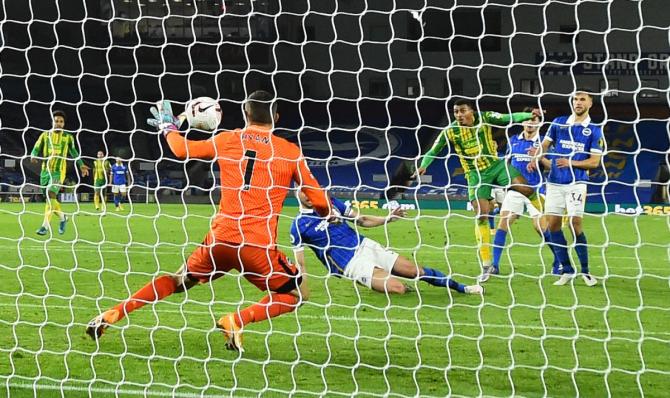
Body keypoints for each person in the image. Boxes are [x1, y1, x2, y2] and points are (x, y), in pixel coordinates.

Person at [86, 91, 333, 353]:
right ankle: (236, 320)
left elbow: (181, 150)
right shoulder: (289, 152)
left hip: (220, 239)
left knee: (178, 280)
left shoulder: (228, 139)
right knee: (298, 295)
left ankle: (114, 313)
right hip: (257, 248)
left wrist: (168, 128)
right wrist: (330, 214)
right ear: (277, 117)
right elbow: (319, 202)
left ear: (245, 113)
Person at [413, 100, 543, 277]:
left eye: (462, 111)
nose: (459, 115)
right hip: (475, 175)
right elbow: (433, 151)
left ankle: (544, 213)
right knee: (482, 214)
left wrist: (530, 115)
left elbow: (509, 118)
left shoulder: (486, 117)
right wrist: (424, 165)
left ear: (471, 111)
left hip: (496, 166)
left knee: (527, 189)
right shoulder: (450, 131)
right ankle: (486, 264)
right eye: (456, 112)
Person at [291, 191, 483, 295]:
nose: (308, 195)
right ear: (296, 192)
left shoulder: (331, 202)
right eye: (303, 191)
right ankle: (373, 280)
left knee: (415, 271)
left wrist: (387, 219)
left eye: (310, 189)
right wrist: (302, 285)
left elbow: (362, 220)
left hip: (366, 245)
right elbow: (300, 261)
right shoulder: (299, 225)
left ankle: (462, 288)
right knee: (397, 288)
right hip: (350, 263)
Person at [528, 89, 603, 286]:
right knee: (552, 225)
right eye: (575, 99)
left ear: (590, 104)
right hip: (554, 182)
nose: (578, 102)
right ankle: (567, 270)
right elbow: (544, 145)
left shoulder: (594, 129)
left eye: (582, 100)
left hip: (577, 183)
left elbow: (595, 162)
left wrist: (571, 163)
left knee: (574, 223)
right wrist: (537, 153)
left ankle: (585, 272)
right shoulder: (559, 122)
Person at [480, 108, 560, 282]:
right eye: (528, 120)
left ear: (539, 123)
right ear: (523, 122)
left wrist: (539, 158)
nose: (530, 123)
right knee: (503, 222)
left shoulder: (544, 143)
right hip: (515, 189)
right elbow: (507, 163)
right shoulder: (514, 140)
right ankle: (495, 264)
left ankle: (559, 260)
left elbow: (553, 167)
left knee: (540, 227)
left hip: (536, 189)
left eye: (534, 120)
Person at [30, 110, 90, 235]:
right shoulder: (45, 135)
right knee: (49, 199)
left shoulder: (68, 137)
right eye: (56, 121)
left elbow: (74, 152)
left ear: (64, 124)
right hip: (45, 171)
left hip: (59, 172)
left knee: (51, 194)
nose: (58, 123)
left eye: (61, 121)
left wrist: (81, 165)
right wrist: (33, 155)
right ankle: (63, 218)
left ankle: (45, 226)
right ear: (52, 122)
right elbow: (36, 146)